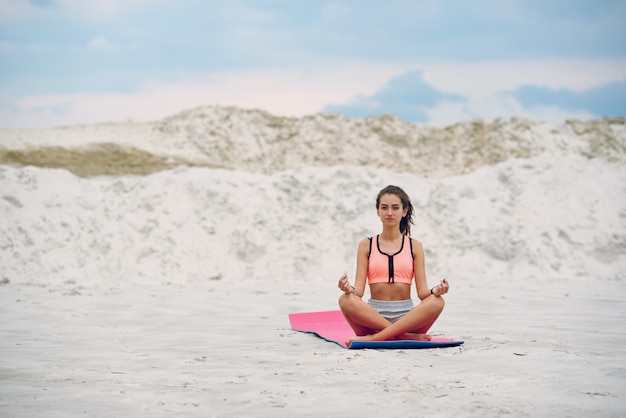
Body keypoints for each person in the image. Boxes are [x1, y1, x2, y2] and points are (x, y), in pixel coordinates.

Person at [337, 185, 449, 346]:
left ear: (404, 211)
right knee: (345, 299)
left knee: (437, 301)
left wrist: (436, 291)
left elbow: (423, 293)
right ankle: (403, 335)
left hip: (409, 318)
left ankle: (377, 337)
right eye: (384, 208)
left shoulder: (414, 246)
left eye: (395, 208)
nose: (389, 213)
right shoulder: (366, 245)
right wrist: (349, 289)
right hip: (372, 319)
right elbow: (358, 292)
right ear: (377, 211)